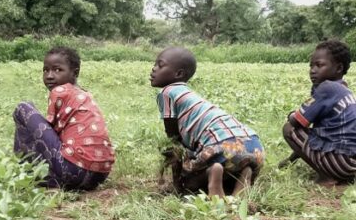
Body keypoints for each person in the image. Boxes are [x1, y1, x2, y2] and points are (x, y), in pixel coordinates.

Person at [150, 47, 264, 197]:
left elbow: (173, 137)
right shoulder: (192, 95)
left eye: (160, 65)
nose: (153, 69)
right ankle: (243, 176)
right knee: (230, 165)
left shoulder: (167, 92)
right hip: (254, 147)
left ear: (179, 74)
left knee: (190, 183)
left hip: (222, 147)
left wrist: (179, 178)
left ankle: (213, 173)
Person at [13, 47, 115, 191]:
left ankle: (24, 169)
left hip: (73, 169)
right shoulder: (84, 95)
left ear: (75, 73)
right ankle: (36, 174)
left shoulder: (60, 91)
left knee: (23, 108)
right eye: (45, 70)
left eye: (57, 70)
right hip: (99, 176)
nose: (49, 75)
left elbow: (50, 135)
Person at [280, 40, 356, 185]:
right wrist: (290, 161)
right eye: (311, 65)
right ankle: (339, 173)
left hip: (341, 162)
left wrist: (291, 115)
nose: (313, 70)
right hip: (351, 163)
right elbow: (312, 136)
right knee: (310, 133)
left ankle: (327, 176)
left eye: (319, 65)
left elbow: (297, 122)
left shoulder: (327, 88)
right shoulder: (344, 90)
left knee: (289, 128)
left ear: (339, 68)